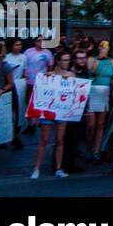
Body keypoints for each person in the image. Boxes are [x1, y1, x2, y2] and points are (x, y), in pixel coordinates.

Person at [30, 50, 76, 179]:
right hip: (49, 112)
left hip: (62, 112)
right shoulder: (50, 75)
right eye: (64, 60)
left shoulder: (71, 75)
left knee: (60, 140)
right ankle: (36, 168)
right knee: (44, 140)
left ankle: (58, 168)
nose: (66, 62)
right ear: (58, 61)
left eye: (68, 60)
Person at [83, 41, 113, 163]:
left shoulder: (112, 61)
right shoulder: (92, 59)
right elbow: (90, 71)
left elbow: (112, 75)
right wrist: (99, 59)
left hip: (105, 92)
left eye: (106, 47)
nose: (104, 49)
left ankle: (96, 151)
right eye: (102, 46)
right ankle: (88, 148)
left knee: (101, 124)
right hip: (93, 90)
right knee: (91, 124)